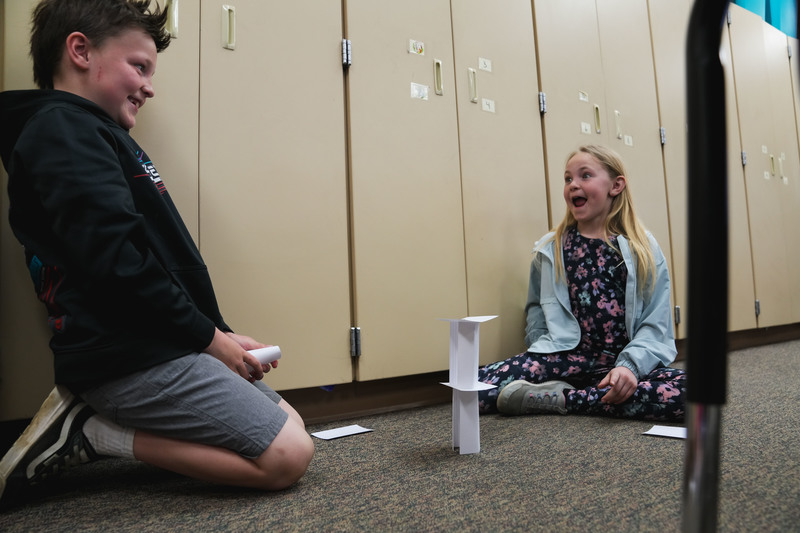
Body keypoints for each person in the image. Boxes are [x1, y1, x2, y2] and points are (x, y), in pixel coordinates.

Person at [0, 0, 313, 502]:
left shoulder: (102, 135)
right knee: (286, 456)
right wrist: (213, 341)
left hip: (165, 341)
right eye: (139, 66)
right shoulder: (64, 129)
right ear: (79, 50)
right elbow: (118, 265)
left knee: (291, 424)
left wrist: (222, 337)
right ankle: (90, 431)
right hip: (126, 356)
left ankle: (104, 422)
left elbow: (161, 262)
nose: (149, 85)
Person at [478, 145, 685, 421]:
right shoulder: (550, 248)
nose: (573, 185)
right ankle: (582, 394)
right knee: (473, 389)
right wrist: (542, 354)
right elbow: (536, 309)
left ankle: (562, 398)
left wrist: (629, 368)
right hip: (563, 358)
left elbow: (655, 323)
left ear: (616, 185)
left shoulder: (643, 248)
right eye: (567, 179)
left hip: (619, 362)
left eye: (585, 176)